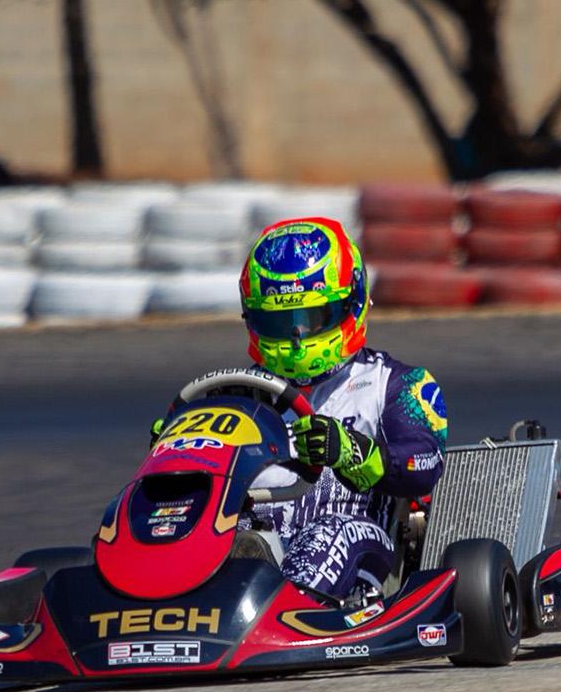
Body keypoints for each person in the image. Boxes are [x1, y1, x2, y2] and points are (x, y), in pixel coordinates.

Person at [158, 216, 447, 608]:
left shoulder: (397, 385)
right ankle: (163, 600)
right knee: (204, 529)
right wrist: (176, 449)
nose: (296, 338)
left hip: (359, 540)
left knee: (329, 533)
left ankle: (292, 611)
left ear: (351, 304)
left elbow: (424, 463)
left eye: (311, 320)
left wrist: (352, 452)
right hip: (259, 537)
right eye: (278, 323)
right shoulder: (233, 394)